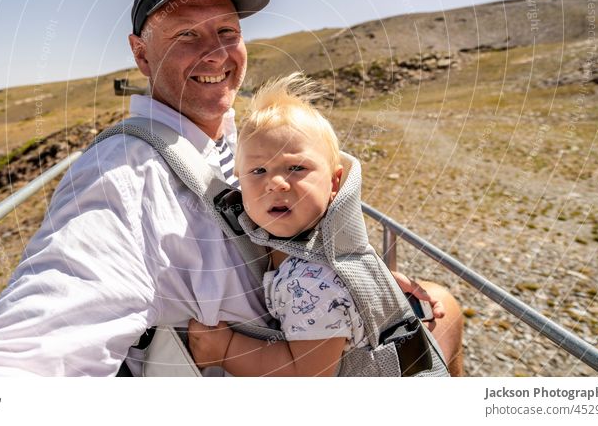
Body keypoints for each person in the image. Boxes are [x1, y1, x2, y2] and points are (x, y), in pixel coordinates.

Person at [0, 0, 462, 376]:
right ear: (140, 56)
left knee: (441, 303)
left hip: (301, 331)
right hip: (262, 374)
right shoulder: (120, 177)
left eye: (227, 32)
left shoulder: (238, 137)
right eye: (187, 35)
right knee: (447, 324)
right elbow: (38, 337)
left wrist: (360, 287)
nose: (216, 54)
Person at [187, 73, 445, 376]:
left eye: (296, 167)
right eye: (258, 170)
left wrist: (226, 350)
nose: (276, 183)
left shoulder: (309, 283)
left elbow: (307, 375)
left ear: (334, 182)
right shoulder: (330, 245)